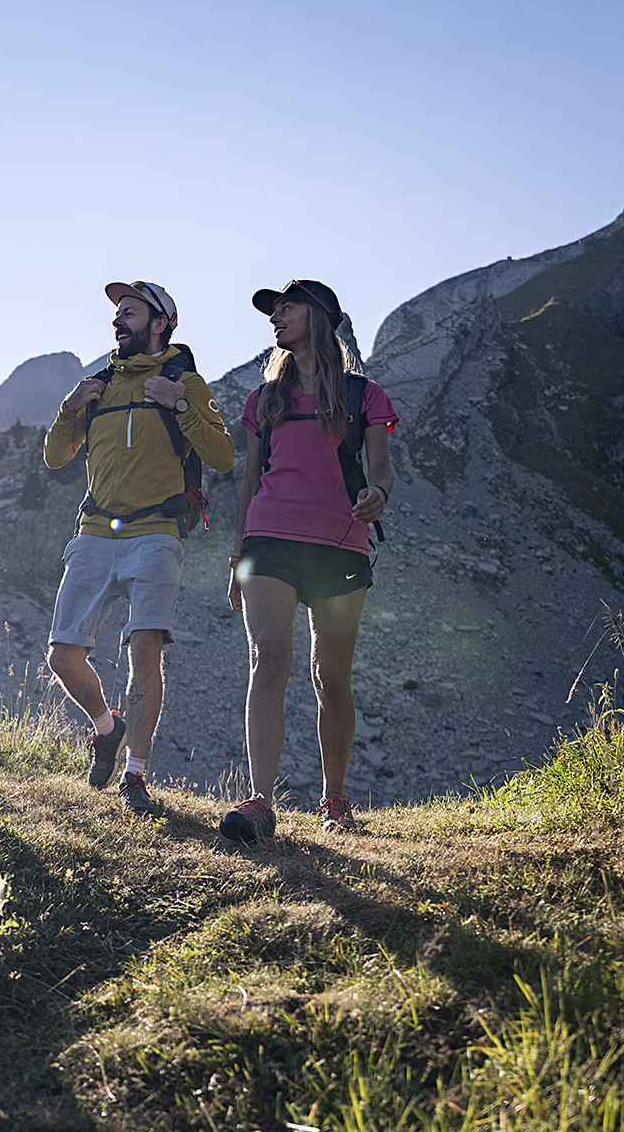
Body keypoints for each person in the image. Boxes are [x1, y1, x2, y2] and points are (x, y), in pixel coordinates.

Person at [43, 281, 236, 814]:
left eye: (128, 311)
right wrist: (68, 409)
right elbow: (56, 456)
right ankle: (107, 729)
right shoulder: (97, 385)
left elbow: (223, 456)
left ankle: (135, 776)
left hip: (156, 533)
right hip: (94, 533)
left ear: (161, 322)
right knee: (63, 656)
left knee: (144, 651)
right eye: (115, 313)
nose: (117, 320)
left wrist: (181, 406)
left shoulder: (186, 382)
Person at [219, 279, 398, 843]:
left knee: (331, 678)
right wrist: (237, 557)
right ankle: (260, 802)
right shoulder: (261, 399)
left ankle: (335, 799)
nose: (276, 317)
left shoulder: (363, 395)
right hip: (268, 542)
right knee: (269, 659)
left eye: (287, 308)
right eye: (274, 311)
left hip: (340, 543)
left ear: (319, 317)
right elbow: (249, 483)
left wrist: (379, 494)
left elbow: (383, 466)